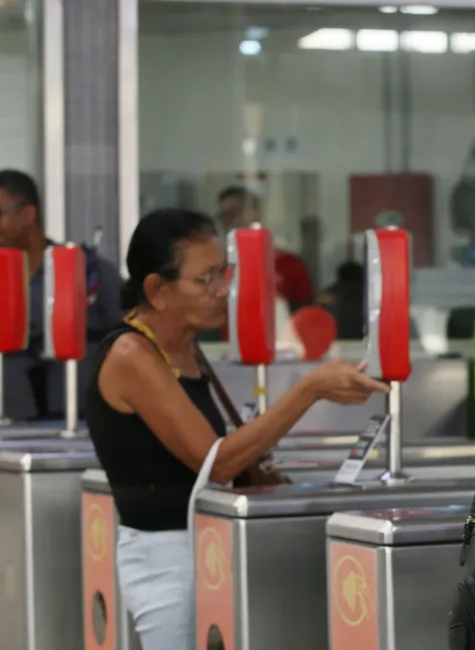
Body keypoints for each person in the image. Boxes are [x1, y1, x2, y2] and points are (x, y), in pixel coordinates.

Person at [85, 208, 389, 650]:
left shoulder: (185, 350)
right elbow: (217, 462)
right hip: (167, 560)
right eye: (205, 279)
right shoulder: (133, 355)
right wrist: (309, 390)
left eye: (223, 273)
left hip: (205, 548)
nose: (223, 290)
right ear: (157, 289)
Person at [0, 168, 125, 421]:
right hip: (11, 421)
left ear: (28, 213)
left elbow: (131, 334)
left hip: (80, 418)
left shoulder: (85, 270)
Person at [217, 186, 315, 309]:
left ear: (256, 212)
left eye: (236, 211)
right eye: (224, 215)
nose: (230, 220)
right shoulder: (218, 265)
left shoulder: (289, 264)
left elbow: (304, 312)